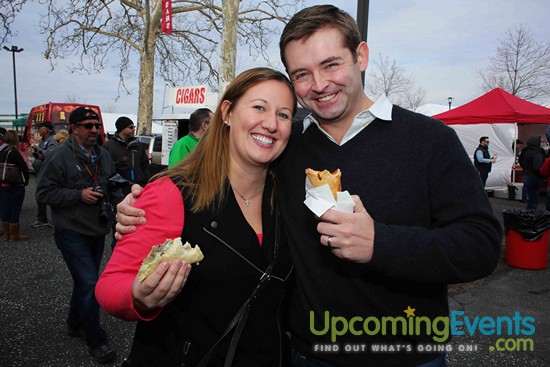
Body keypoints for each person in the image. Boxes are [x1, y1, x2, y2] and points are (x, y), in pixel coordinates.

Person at [115, 5, 502, 367]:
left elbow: (481, 246)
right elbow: (225, 192)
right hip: (306, 354)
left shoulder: (429, 140)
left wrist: (381, 244)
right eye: (301, 74)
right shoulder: (285, 146)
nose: (319, 85)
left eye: (331, 64)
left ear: (361, 57)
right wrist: (145, 211)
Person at [96, 67, 296, 366]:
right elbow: (111, 284)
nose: (271, 124)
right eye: (259, 107)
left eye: (284, 115)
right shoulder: (172, 192)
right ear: (227, 113)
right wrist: (139, 297)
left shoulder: (289, 196)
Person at [36, 106, 117, 364]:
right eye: (88, 126)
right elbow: (43, 194)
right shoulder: (59, 156)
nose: (94, 130)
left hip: (96, 230)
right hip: (71, 231)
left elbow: (112, 183)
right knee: (91, 285)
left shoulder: (103, 155)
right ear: (74, 128)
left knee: (85, 283)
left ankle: (74, 323)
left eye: (96, 125)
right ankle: (97, 340)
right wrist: (77, 195)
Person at [103, 116, 150, 195]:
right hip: (118, 190)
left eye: (134, 127)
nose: (133, 129)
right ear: (122, 129)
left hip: (138, 188)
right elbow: (104, 168)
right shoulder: (108, 146)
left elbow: (145, 165)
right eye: (131, 127)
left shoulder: (138, 146)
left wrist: (146, 181)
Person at [1, 130, 30, 241]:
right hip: (16, 185)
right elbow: (24, 168)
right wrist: (25, 181)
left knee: (5, 208)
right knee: (15, 209)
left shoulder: (2, 151)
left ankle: (7, 234)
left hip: (4, 184)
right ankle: (14, 235)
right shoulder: (14, 152)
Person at [31, 121, 58, 228]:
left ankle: (54, 219)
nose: (38, 131)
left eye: (40, 128)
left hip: (47, 173)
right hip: (41, 172)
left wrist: (39, 149)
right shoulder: (44, 140)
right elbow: (43, 156)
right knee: (40, 195)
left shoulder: (52, 140)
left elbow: (52, 155)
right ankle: (42, 218)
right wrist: (37, 153)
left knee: (49, 195)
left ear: (46, 129)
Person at [518, 136, 545, 209]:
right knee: (533, 199)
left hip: (527, 175)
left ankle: (529, 213)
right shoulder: (537, 153)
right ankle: (531, 216)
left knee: (531, 198)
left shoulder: (526, 151)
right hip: (534, 177)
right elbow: (537, 167)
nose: (543, 143)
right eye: (542, 142)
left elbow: (521, 161)